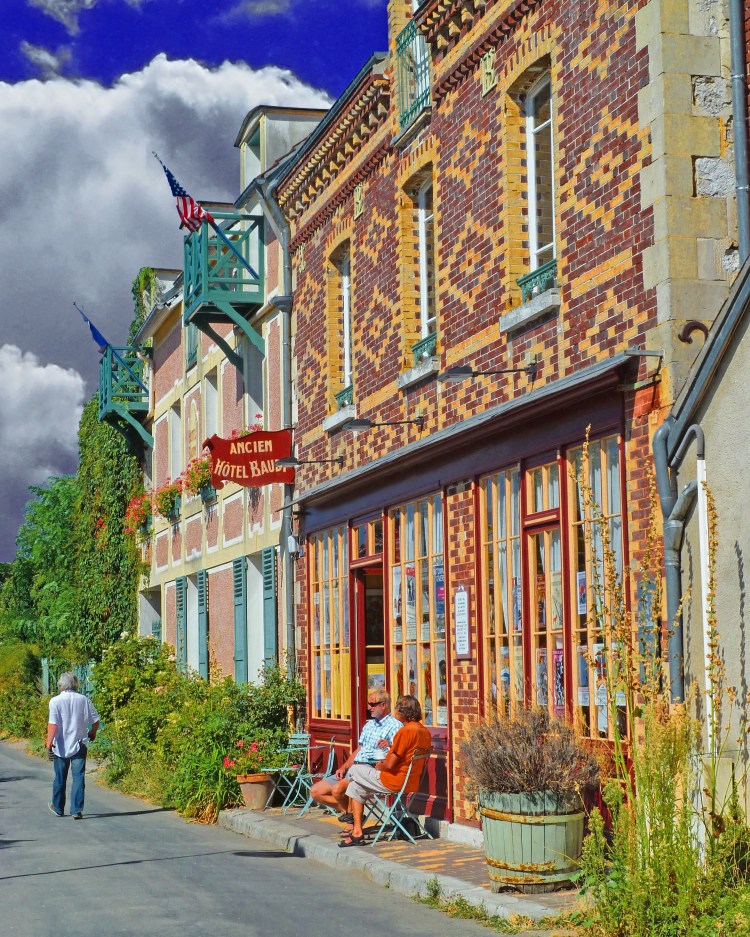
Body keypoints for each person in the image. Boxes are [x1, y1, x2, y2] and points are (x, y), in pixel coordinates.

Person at [339, 694, 431, 847]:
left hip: (393, 781)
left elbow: (390, 765)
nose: (395, 712)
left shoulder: (405, 731)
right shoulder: (424, 731)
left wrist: (379, 765)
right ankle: (357, 833)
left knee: (355, 769)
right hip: (411, 782)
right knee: (355, 786)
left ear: (402, 712)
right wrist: (389, 748)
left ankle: (348, 816)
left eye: (396, 709)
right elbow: (404, 754)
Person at [309, 687, 400, 821]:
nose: (369, 708)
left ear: (383, 705)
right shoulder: (369, 725)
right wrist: (343, 767)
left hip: (370, 769)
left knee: (337, 790)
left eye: (372, 705)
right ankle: (351, 814)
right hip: (353, 767)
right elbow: (359, 750)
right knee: (315, 792)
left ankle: (353, 821)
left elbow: (397, 752)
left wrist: (389, 745)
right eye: (368, 704)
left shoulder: (395, 726)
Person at [46, 671, 100, 819]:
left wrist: (48, 744)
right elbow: (95, 721)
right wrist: (92, 733)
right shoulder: (84, 700)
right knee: (78, 777)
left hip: (60, 746)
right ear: (75, 684)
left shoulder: (55, 701)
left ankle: (58, 808)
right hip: (79, 744)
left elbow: (53, 725)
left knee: (60, 778)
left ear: (61, 685)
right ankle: (76, 810)